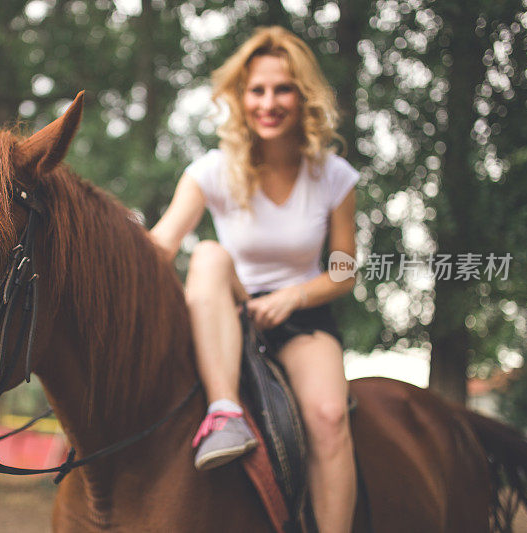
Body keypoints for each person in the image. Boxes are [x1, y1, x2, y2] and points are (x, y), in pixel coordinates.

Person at [150, 27, 359, 532]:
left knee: (331, 416)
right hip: (226, 311)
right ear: (240, 99)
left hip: (302, 317)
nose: (269, 102)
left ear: (302, 95)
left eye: (282, 88)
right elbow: (159, 247)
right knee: (209, 254)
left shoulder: (334, 176)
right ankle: (224, 412)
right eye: (257, 90)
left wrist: (294, 295)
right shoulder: (211, 172)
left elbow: (345, 270)